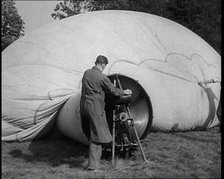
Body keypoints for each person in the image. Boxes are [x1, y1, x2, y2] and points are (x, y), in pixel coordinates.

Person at [80, 55, 132, 171]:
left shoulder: (86, 73)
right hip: (95, 108)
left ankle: (94, 164)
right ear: (103, 65)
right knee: (98, 136)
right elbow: (114, 91)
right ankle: (93, 167)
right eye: (104, 67)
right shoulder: (102, 77)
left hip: (85, 106)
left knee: (95, 134)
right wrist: (125, 91)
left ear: (96, 62)